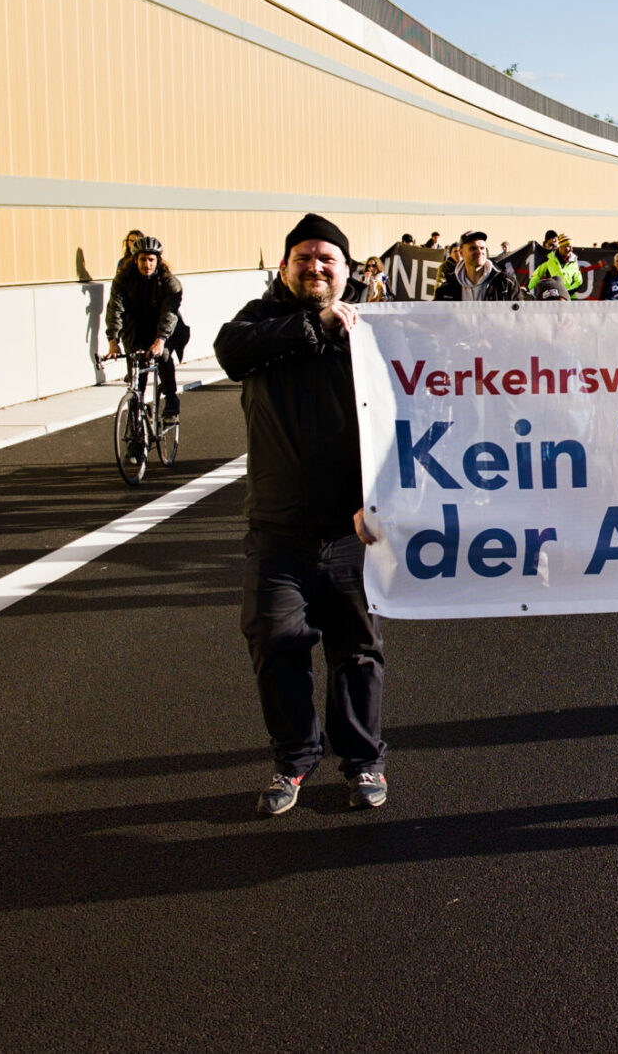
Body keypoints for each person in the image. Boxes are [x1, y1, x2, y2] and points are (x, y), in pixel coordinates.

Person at [214, 213, 386, 816]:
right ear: (285, 267)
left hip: (350, 531)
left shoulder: (373, 332)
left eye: (327, 259)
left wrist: (383, 500)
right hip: (277, 531)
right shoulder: (259, 322)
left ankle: (363, 761)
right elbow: (230, 353)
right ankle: (293, 760)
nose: (314, 267)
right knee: (274, 641)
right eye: (303, 258)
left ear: (347, 270)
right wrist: (314, 323)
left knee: (356, 652)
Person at [106, 237, 185, 418]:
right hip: (135, 328)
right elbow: (115, 310)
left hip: (164, 327)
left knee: (163, 356)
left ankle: (172, 400)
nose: (147, 264)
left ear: (158, 261)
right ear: (135, 260)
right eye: (143, 259)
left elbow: (169, 313)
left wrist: (161, 339)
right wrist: (113, 340)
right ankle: (136, 419)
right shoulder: (123, 280)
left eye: (151, 260)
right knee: (136, 375)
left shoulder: (168, 282)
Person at [434, 230, 522, 301]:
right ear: (461, 253)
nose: (479, 252)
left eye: (482, 248)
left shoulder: (506, 284)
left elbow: (521, 317)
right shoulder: (447, 289)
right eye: (473, 248)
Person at [529, 231, 584, 297]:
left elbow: (579, 282)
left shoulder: (574, 260)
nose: (570, 249)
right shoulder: (549, 259)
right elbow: (536, 276)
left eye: (571, 247)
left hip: (569, 298)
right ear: (560, 247)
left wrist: (566, 292)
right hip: (552, 297)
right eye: (568, 246)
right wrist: (528, 288)